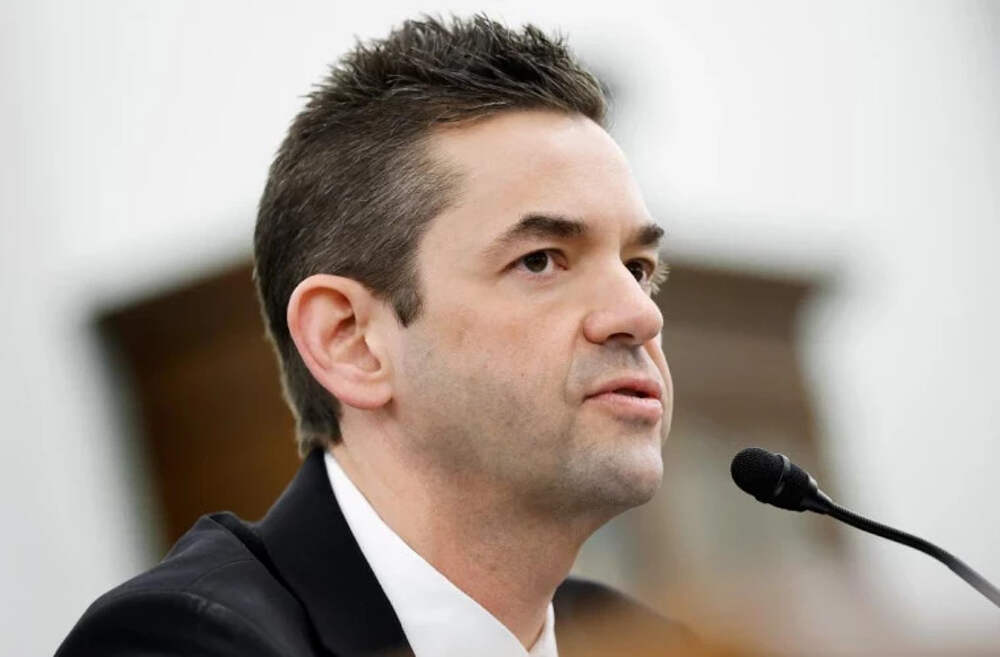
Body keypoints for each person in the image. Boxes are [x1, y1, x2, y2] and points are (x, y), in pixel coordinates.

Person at [56, 15, 692, 657]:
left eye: (639, 270)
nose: (641, 315)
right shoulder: (178, 641)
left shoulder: (650, 644)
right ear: (350, 342)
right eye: (540, 260)